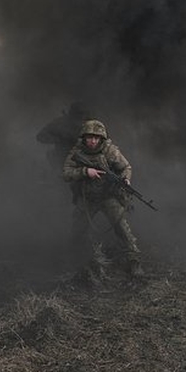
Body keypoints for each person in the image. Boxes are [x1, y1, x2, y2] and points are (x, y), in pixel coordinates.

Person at [62, 119, 143, 279]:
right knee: (78, 229)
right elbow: (66, 173)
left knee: (122, 228)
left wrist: (126, 179)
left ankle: (134, 260)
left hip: (108, 196)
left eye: (96, 138)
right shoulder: (77, 151)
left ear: (101, 138)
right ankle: (75, 259)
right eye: (89, 137)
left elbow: (126, 167)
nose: (93, 141)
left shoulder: (110, 150)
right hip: (87, 197)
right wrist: (85, 172)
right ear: (84, 137)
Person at [36, 102, 91, 170]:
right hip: (63, 158)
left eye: (82, 116)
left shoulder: (90, 124)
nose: (80, 120)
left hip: (84, 159)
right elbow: (41, 136)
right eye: (78, 116)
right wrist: (59, 139)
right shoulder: (61, 123)